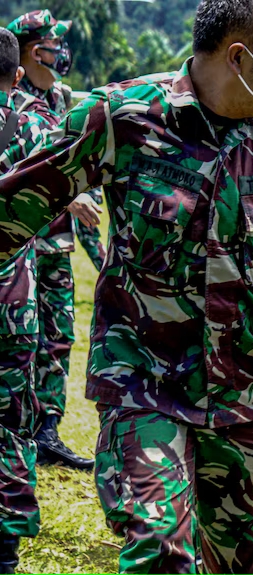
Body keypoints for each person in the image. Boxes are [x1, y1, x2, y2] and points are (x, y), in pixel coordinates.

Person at [0, 0, 253, 572]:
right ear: (239, 57)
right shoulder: (123, 116)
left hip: (241, 397)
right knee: (160, 550)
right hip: (142, 384)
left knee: (242, 558)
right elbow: (16, 206)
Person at [7, 10, 105, 470]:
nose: (60, 53)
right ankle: (19, 430)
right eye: (52, 45)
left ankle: (47, 430)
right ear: (33, 52)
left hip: (58, 243)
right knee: (21, 338)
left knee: (58, 337)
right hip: (22, 244)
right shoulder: (12, 103)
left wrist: (100, 254)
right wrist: (67, 197)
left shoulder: (60, 100)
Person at [0, 27, 63, 574]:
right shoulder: (33, 129)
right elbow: (54, 204)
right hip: (12, 302)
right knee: (12, 422)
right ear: (17, 74)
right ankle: (7, 541)